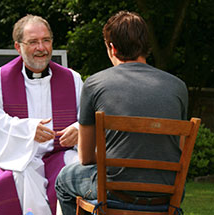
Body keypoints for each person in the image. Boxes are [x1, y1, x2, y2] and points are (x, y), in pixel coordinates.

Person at [55, 11, 188, 215]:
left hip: (117, 191)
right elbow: (176, 153)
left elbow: (86, 157)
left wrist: (114, 158)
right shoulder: (178, 87)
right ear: (147, 46)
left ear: (112, 47)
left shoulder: (95, 84)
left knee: (64, 180)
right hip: (168, 193)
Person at [0, 14, 83, 215]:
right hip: (21, 155)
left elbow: (88, 118)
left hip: (61, 153)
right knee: (20, 176)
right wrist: (26, 130)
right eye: (33, 42)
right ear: (18, 46)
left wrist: (78, 129)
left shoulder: (72, 79)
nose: (41, 47)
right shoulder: (2, 78)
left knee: (78, 170)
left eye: (46, 40)